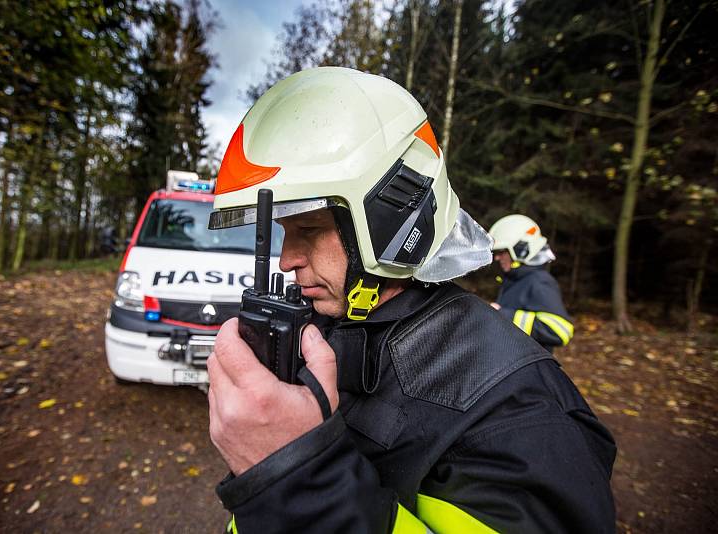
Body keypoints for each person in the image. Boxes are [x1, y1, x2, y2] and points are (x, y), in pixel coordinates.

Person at [207, 67, 616, 533]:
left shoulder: (519, 412)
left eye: (309, 229)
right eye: (282, 233)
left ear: (391, 218)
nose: (285, 260)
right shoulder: (332, 325)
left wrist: (296, 477)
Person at [488, 214, 574, 353]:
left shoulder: (539, 281)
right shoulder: (516, 279)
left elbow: (561, 330)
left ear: (522, 250)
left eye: (502, 252)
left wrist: (504, 316)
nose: (497, 257)